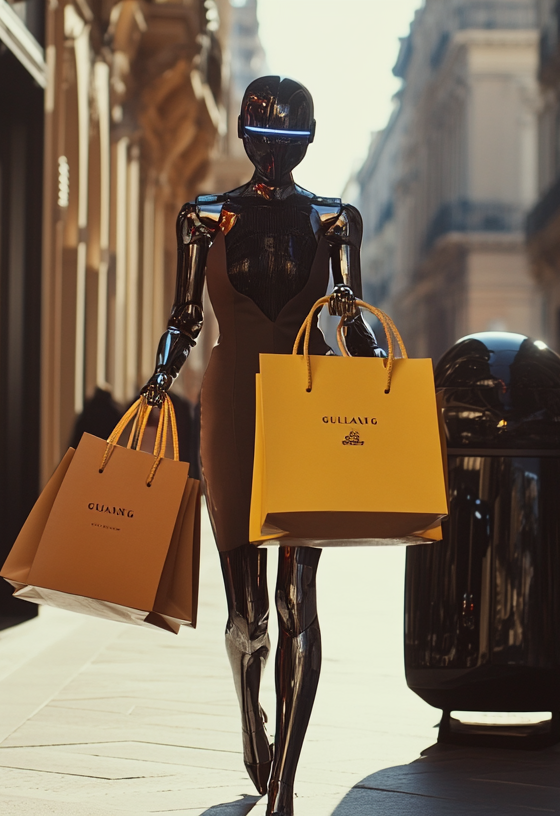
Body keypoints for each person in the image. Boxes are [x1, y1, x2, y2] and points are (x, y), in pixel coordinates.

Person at [138, 76, 385, 816]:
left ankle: (283, 786)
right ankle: (252, 721)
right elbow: (186, 316)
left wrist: (363, 338)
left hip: (306, 409)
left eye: (290, 143)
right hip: (234, 408)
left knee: (297, 603)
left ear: (308, 145)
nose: (275, 156)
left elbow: (358, 331)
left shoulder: (338, 220)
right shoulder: (205, 217)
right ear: (246, 141)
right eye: (265, 141)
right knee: (249, 614)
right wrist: (157, 381)